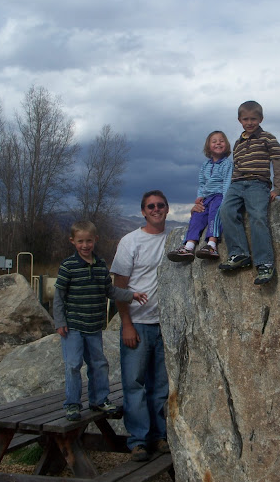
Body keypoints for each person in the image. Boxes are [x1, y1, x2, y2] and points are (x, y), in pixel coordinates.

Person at [53, 220, 147, 421]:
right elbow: (59, 296)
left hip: (94, 326)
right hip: (73, 326)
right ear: (73, 241)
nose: (85, 245)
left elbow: (109, 290)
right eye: (80, 241)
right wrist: (60, 322)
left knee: (99, 363)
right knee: (73, 365)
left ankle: (99, 399)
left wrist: (131, 295)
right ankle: (72, 404)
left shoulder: (101, 265)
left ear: (95, 240)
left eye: (88, 241)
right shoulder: (68, 266)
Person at [110, 190, 171, 462]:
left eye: (160, 205)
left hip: (166, 325)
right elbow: (119, 287)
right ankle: (138, 441)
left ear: (167, 209)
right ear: (143, 212)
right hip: (138, 323)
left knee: (160, 386)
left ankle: (159, 437)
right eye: (151, 206)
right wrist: (126, 324)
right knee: (134, 384)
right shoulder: (130, 241)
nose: (156, 209)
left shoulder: (176, 239)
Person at [218, 100, 280, 285]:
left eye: (253, 119)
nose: (249, 122)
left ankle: (264, 263)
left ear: (260, 119)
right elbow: (236, 167)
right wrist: (231, 187)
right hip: (237, 184)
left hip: (258, 183)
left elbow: (278, 162)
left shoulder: (268, 138)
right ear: (239, 120)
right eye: (245, 119)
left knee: (257, 216)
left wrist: (277, 188)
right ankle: (239, 253)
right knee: (226, 211)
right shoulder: (238, 143)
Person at [167, 130, 233, 262]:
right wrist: (200, 197)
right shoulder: (205, 165)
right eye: (214, 141)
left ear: (226, 145)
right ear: (208, 146)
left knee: (215, 213)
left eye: (221, 141)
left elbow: (227, 182)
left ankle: (212, 245)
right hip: (207, 197)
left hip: (219, 196)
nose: (218, 143)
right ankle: (189, 246)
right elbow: (202, 183)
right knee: (197, 215)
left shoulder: (227, 164)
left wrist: (226, 200)